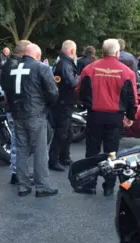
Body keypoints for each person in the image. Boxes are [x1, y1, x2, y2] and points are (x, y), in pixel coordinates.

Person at [76, 39, 137, 196]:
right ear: (117, 53)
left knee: (92, 151)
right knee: (112, 152)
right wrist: (130, 116)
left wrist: (86, 104)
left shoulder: (90, 69)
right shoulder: (127, 72)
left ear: (102, 51)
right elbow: (132, 98)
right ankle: (109, 186)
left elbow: (79, 91)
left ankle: (89, 185)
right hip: (115, 117)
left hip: (94, 115)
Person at [5, 43, 59, 197]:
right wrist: (47, 105)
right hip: (36, 114)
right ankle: (42, 186)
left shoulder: (12, 68)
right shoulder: (41, 68)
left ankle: (23, 186)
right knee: (40, 151)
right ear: (37, 55)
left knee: (21, 150)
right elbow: (53, 92)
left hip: (17, 114)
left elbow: (7, 91)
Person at [0, 39, 31, 185]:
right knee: (18, 142)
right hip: (16, 108)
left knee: (19, 141)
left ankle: (19, 171)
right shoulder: (16, 65)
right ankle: (17, 173)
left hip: (13, 107)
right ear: (24, 52)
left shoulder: (9, 64)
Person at [49, 40, 79, 171]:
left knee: (69, 132)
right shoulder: (65, 64)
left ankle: (64, 156)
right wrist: (81, 77)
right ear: (72, 51)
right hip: (63, 103)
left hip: (62, 102)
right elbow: (71, 82)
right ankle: (53, 160)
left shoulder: (59, 61)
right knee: (61, 133)